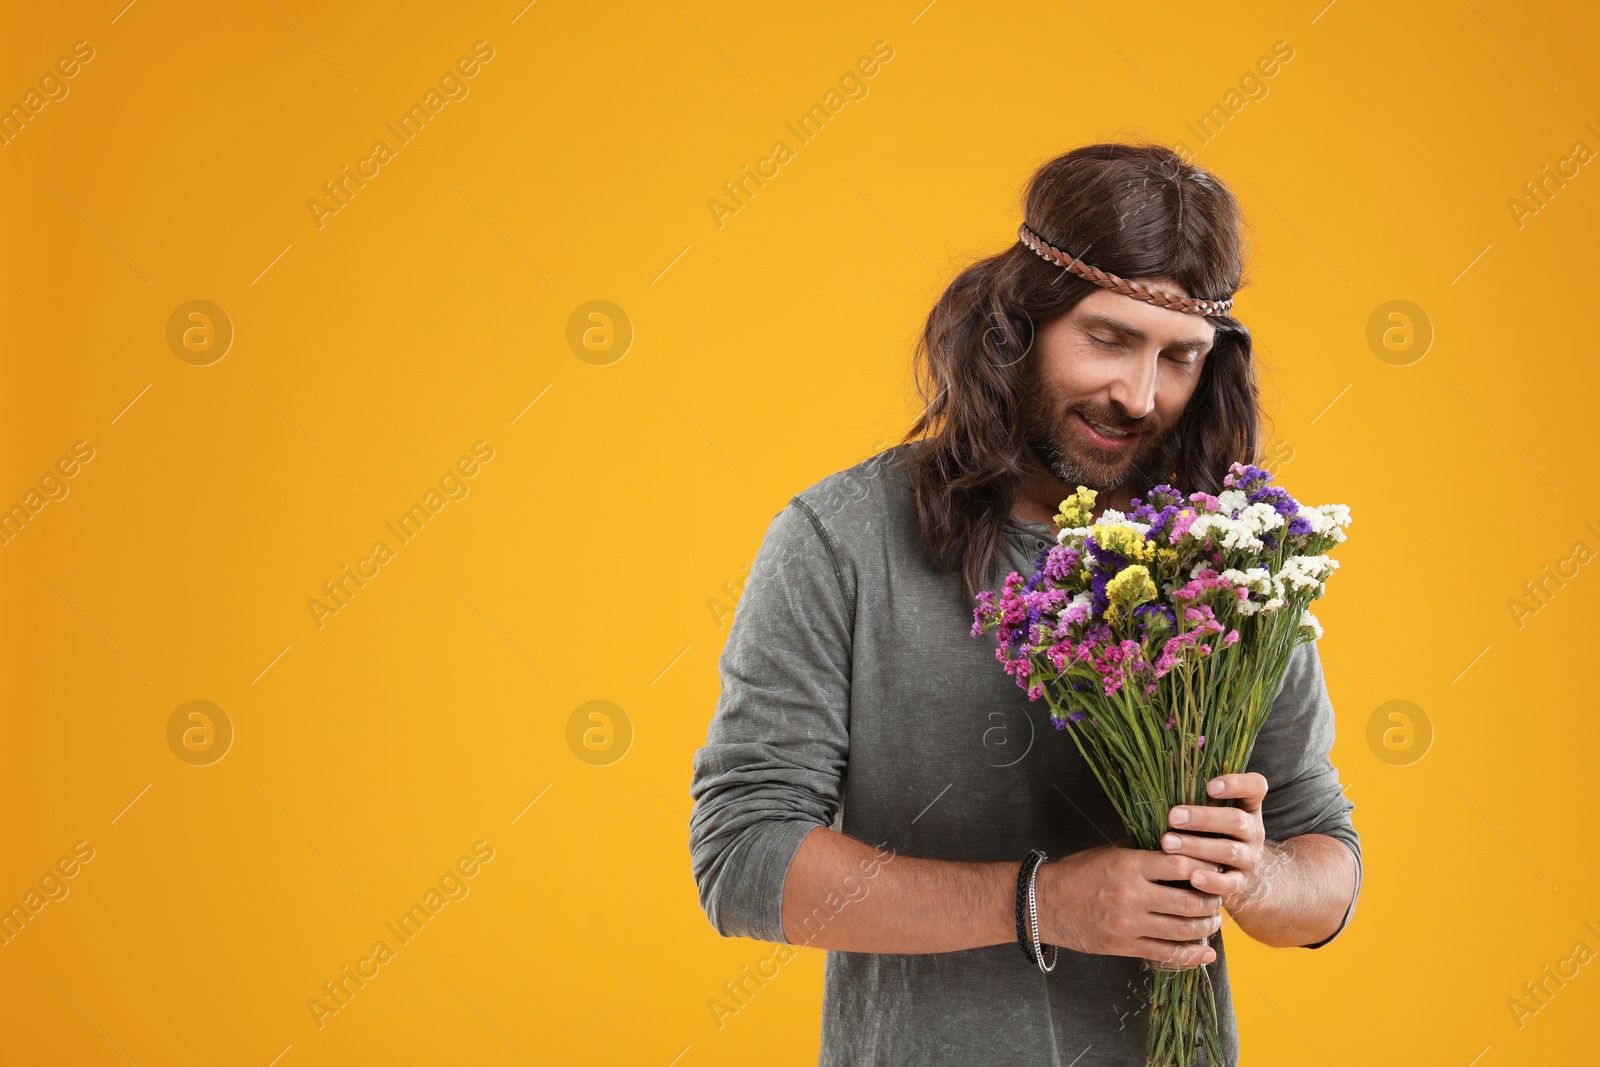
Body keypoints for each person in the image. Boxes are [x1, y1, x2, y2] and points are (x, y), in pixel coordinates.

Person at [687, 142, 1361, 1067]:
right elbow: (744, 860)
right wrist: (1040, 903)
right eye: (1109, 338)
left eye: (1180, 358)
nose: (1139, 393)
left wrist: (1254, 873)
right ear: (1018, 322)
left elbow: (1325, 871)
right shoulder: (839, 539)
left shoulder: (1229, 561)